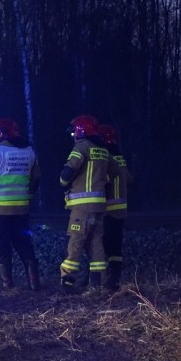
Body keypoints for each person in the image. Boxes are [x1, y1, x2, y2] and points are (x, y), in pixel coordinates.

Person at [0, 118, 42, 290]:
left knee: (1, 246)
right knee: (24, 244)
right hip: (21, 210)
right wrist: (28, 197)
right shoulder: (29, 152)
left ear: (0, 133)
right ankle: (34, 282)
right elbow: (36, 180)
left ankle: (7, 284)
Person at [58, 114, 120, 292]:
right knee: (96, 242)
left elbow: (67, 173)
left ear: (80, 131)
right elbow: (116, 173)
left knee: (76, 242)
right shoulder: (104, 151)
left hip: (82, 207)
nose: (74, 136)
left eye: (74, 132)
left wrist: (63, 183)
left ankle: (68, 280)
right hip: (100, 206)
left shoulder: (81, 147)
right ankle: (98, 283)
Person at [98, 124, 133, 292]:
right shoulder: (120, 156)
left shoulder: (105, 157)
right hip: (121, 209)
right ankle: (115, 276)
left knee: (104, 243)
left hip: (107, 209)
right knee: (116, 244)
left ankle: (105, 278)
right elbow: (129, 180)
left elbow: (101, 180)